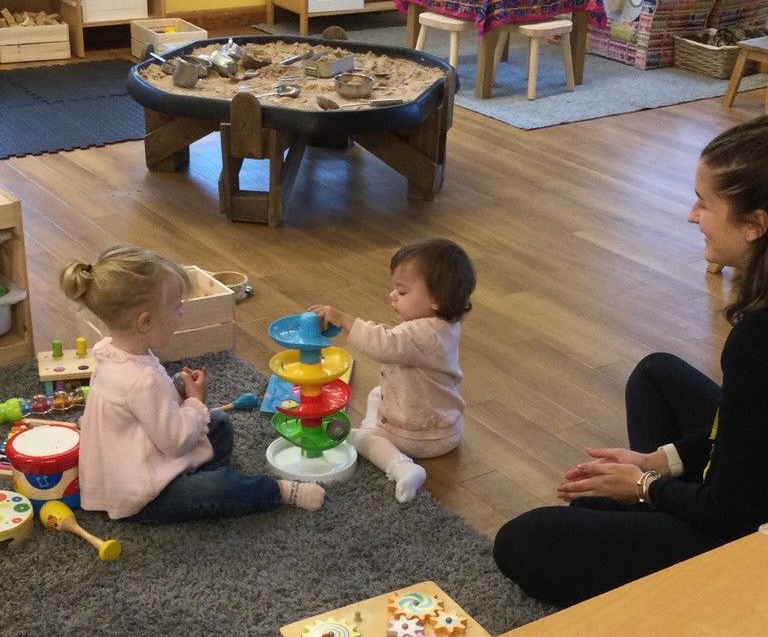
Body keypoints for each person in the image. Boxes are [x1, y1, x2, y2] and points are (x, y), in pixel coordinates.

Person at [494, 115, 768, 607]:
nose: (690, 216)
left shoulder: (758, 341)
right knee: (656, 375)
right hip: (748, 481)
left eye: (704, 204)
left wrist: (646, 487)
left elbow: (736, 512)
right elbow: (746, 433)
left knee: (526, 540)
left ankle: (679, 554)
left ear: (755, 224)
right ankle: (659, 517)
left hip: (749, 541)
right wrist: (660, 461)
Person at [60, 245, 325, 523]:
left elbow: (141, 409)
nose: (182, 313)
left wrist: (175, 389)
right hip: (145, 495)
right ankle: (275, 491)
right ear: (146, 322)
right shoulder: (140, 379)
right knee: (218, 487)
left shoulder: (109, 353)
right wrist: (195, 400)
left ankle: (201, 478)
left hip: (134, 462)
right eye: (176, 308)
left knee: (219, 423)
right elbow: (174, 442)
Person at [312, 238, 476, 503]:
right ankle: (375, 430)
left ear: (437, 299)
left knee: (364, 440)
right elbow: (400, 342)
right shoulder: (444, 325)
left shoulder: (418, 334)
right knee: (378, 393)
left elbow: (383, 344)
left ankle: (401, 466)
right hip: (445, 426)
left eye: (402, 292)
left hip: (417, 437)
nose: (392, 295)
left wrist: (343, 319)